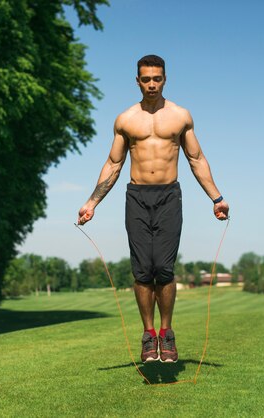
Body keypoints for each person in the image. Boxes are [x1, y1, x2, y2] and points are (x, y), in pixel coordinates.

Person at [77, 55, 229, 363]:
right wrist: (91, 203)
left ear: (164, 79)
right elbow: (114, 163)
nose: (151, 84)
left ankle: (167, 333)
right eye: (145, 79)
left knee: (164, 268)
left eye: (156, 79)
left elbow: (196, 159)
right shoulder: (126, 119)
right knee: (143, 271)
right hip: (137, 196)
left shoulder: (180, 116)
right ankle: (148, 336)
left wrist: (216, 198)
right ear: (137, 81)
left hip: (169, 196)